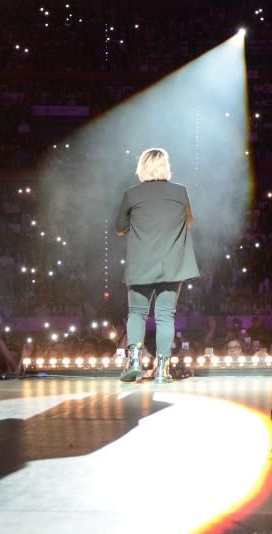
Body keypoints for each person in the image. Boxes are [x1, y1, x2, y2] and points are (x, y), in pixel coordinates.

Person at [114, 147, 199, 383]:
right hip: (171, 264)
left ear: (142, 167)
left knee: (137, 313)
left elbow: (119, 227)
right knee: (165, 317)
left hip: (140, 264)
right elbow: (189, 223)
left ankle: (133, 362)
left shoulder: (132, 194)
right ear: (166, 167)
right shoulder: (180, 192)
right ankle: (162, 369)